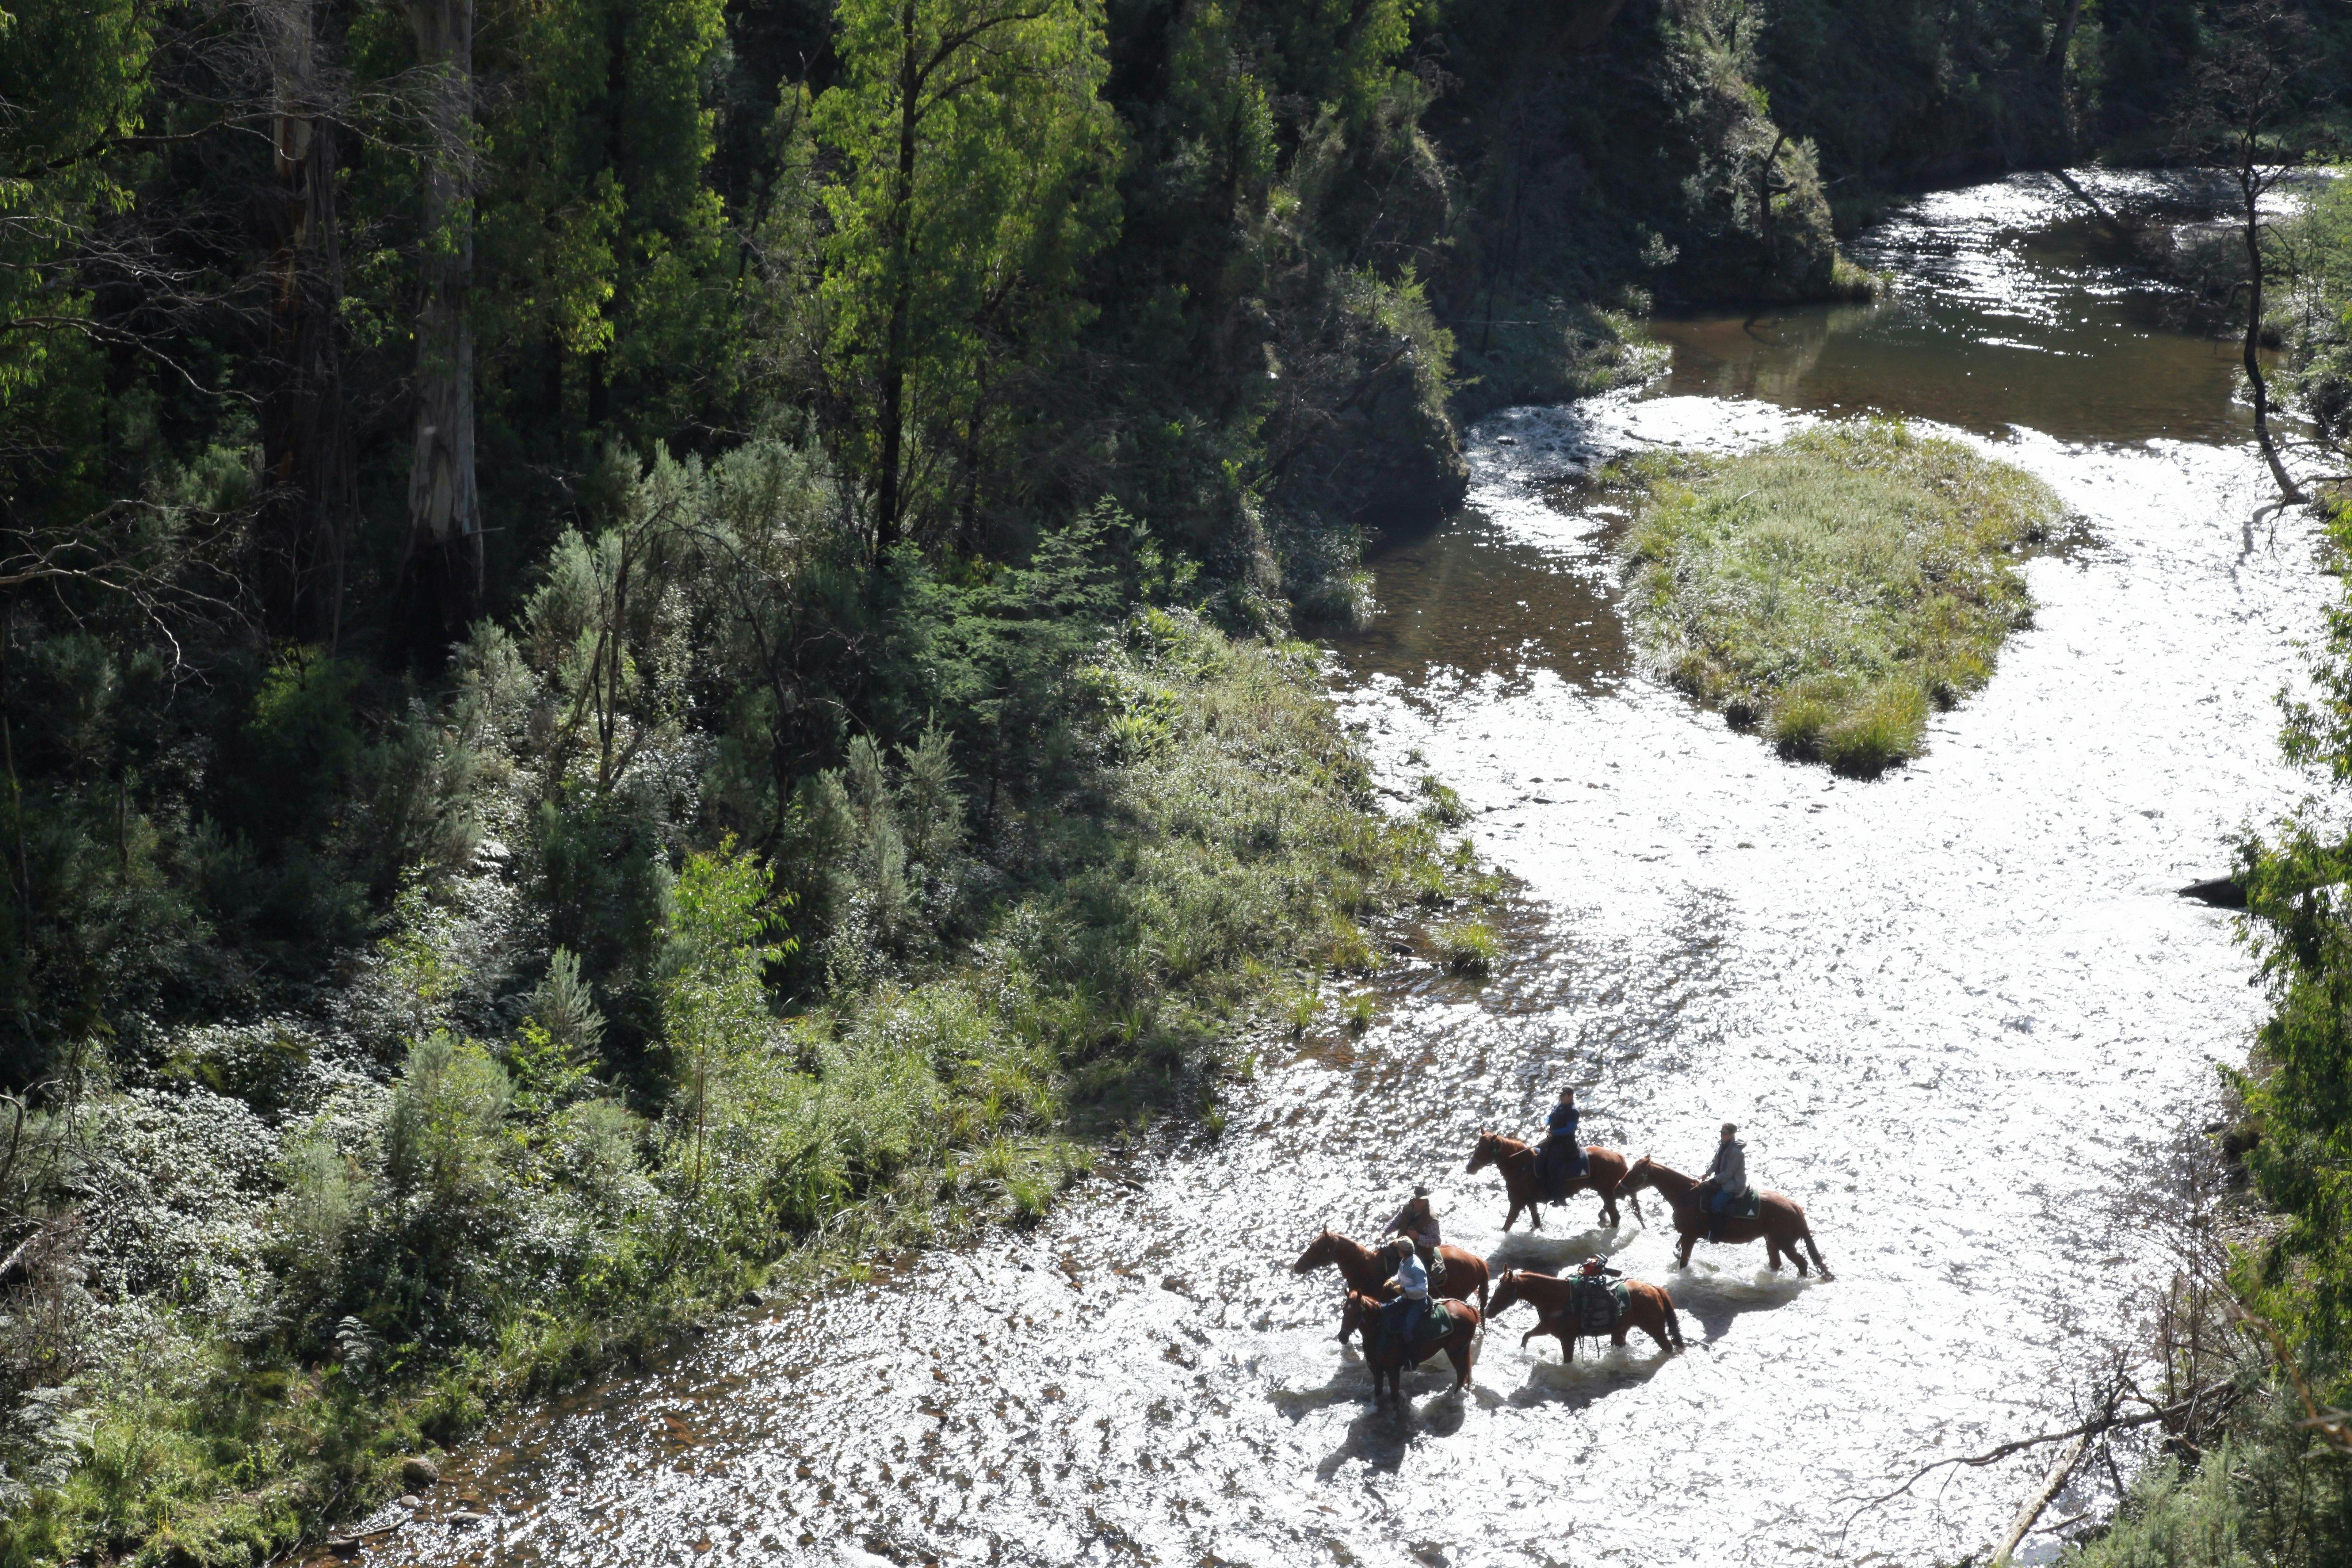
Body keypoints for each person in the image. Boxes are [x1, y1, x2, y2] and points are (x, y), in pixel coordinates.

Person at [1380, 1237, 1436, 1356]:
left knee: (1407, 1330)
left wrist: (1404, 1290)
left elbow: (1422, 1290)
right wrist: (1392, 1281)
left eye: (1398, 1249)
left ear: (1401, 1252)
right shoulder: (1404, 1261)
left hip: (1418, 1303)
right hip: (1405, 1299)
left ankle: (1412, 1358)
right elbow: (1400, 1277)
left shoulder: (1416, 1268)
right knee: (1383, 1310)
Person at [1383, 1184, 1444, 1290]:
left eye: (1420, 1200)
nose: (1417, 1202)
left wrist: (1418, 1237)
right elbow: (1395, 1222)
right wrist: (1383, 1233)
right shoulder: (1407, 1209)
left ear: (1425, 1201)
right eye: (1415, 1199)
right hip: (1401, 1247)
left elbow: (1437, 1241)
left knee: (1411, 1276)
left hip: (1420, 1253)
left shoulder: (1431, 1218)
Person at [1697, 1122, 1749, 1242]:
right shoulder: (1723, 1146)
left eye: (1725, 1133)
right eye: (1721, 1132)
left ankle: (1717, 1234)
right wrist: (1707, 1174)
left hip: (1733, 1185)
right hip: (1722, 1181)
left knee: (1716, 1204)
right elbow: (1715, 1163)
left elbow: (1729, 1174)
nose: (1722, 1135)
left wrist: (1714, 1180)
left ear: (1732, 1135)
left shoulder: (1736, 1153)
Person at [1536, 1087, 1590, 1199]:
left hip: (1566, 1144)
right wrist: (1545, 1125)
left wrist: (1554, 1132)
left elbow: (1570, 1129)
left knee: (1553, 1164)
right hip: (1554, 1140)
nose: (1561, 1097)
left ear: (1570, 1096)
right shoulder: (1559, 1106)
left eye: (1563, 1095)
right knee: (1537, 1152)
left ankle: (1559, 1195)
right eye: (1560, 1095)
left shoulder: (1573, 1111)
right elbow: (1550, 1118)